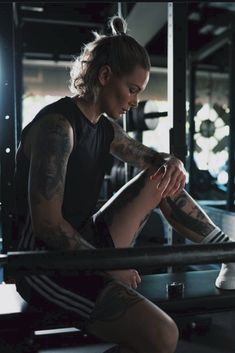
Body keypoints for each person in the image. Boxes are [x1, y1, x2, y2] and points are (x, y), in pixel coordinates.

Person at [14, 15, 234, 353]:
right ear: (104, 76)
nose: (134, 101)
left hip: (84, 244)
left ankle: (227, 254)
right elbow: (47, 227)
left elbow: (149, 160)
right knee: (163, 336)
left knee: (159, 178)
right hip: (44, 265)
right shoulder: (58, 128)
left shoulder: (104, 127)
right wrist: (109, 266)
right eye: (132, 90)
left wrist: (171, 162)